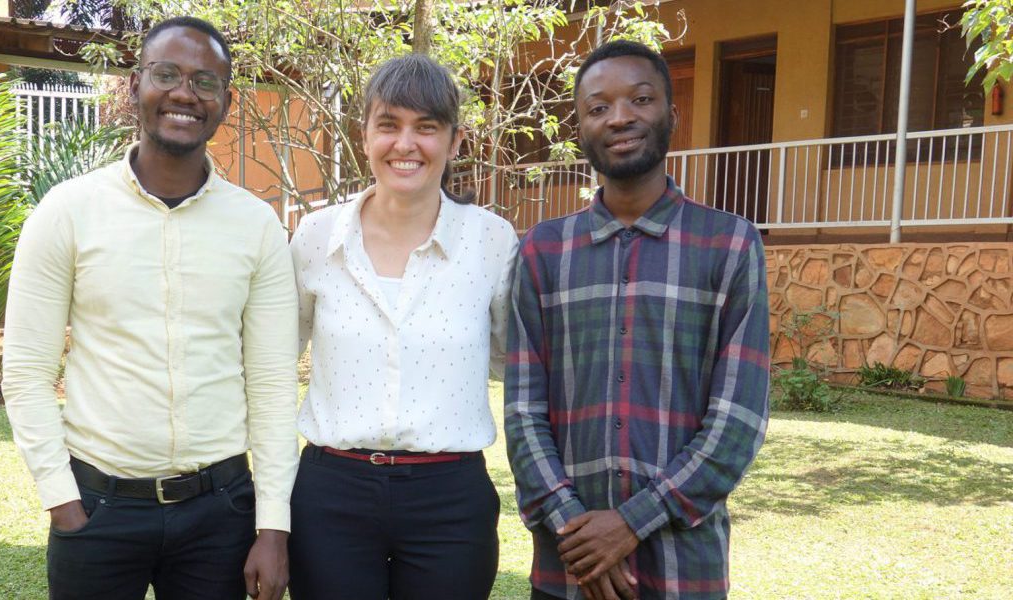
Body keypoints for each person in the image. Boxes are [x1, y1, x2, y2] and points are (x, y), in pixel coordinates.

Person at [2, 16, 297, 600]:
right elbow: (26, 372)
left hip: (221, 515)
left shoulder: (256, 226)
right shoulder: (68, 212)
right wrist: (63, 503)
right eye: (167, 74)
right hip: (99, 512)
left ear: (226, 102)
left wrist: (273, 528)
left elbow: (271, 385)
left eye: (205, 82)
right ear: (135, 85)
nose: (185, 93)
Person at [505, 40, 770, 600]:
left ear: (672, 114)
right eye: (598, 107)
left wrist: (629, 523)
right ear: (580, 129)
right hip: (567, 570)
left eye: (640, 99)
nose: (620, 116)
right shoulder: (541, 252)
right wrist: (577, 530)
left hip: (683, 570)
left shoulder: (728, 244)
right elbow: (524, 413)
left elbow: (737, 420)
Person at [286, 54, 519, 600]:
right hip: (332, 492)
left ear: (455, 141)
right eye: (388, 124)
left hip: (450, 497)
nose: (405, 144)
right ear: (364, 134)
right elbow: (274, 363)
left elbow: (516, 364)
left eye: (427, 127)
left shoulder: (491, 242)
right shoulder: (316, 238)